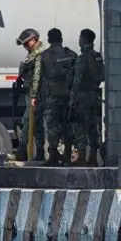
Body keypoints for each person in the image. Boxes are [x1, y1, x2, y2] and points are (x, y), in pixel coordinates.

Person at [39, 27, 77, 166]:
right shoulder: (71, 54)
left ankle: (53, 155)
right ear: (61, 38)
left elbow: (40, 77)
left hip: (52, 97)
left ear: (49, 40)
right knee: (67, 125)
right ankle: (67, 155)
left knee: (52, 126)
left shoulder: (45, 56)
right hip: (68, 96)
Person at [70, 28, 106, 166]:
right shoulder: (97, 56)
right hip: (94, 94)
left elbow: (77, 80)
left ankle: (81, 157)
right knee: (93, 126)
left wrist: (73, 97)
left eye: (80, 37)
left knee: (80, 126)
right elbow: (103, 75)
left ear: (84, 39)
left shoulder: (82, 58)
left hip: (82, 96)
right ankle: (92, 157)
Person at [14, 28, 45, 161]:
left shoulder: (39, 55)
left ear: (35, 40)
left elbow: (37, 76)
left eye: (27, 43)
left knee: (30, 123)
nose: (26, 46)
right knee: (35, 125)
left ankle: (24, 153)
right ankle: (37, 154)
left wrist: (34, 96)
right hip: (32, 94)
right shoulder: (32, 55)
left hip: (37, 95)